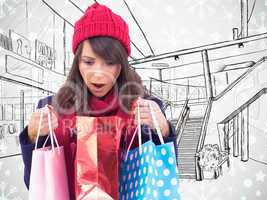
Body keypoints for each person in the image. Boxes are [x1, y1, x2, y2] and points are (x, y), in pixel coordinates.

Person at [19, 2, 177, 199]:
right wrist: (34, 137)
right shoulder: (51, 109)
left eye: (110, 63)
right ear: (77, 62)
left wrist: (163, 130)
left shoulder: (143, 107)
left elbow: (160, 177)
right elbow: (36, 185)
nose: (99, 74)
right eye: (89, 62)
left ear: (122, 65)